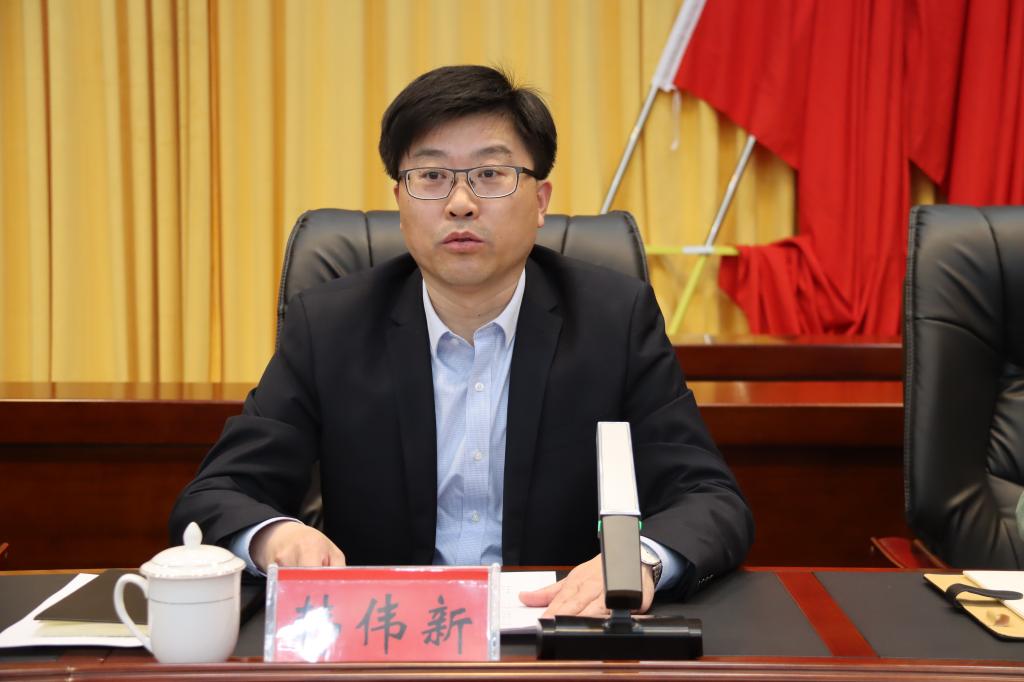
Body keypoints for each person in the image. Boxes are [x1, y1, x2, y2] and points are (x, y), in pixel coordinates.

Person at [170, 65, 753, 616]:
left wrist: (634, 564)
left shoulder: (614, 321)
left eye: (491, 175)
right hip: (384, 640)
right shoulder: (329, 326)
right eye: (431, 177)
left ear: (540, 202)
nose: (460, 203)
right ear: (400, 202)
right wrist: (275, 536)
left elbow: (708, 497)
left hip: (558, 633)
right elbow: (218, 492)